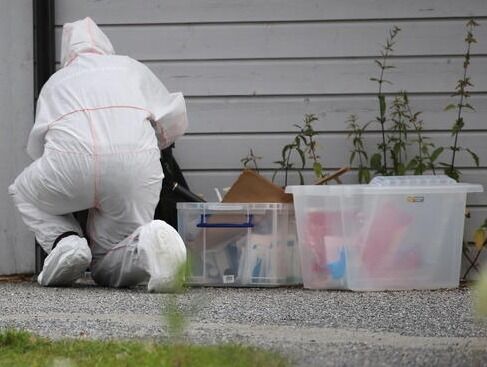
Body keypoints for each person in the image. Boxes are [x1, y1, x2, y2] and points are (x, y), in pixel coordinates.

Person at [8, 17, 187, 292]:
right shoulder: (130, 68)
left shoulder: (56, 82)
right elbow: (173, 119)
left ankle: (66, 241)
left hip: (70, 163)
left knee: (23, 191)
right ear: (106, 47)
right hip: (134, 165)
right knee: (110, 258)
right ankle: (148, 243)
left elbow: (38, 146)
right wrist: (157, 144)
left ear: (66, 55)